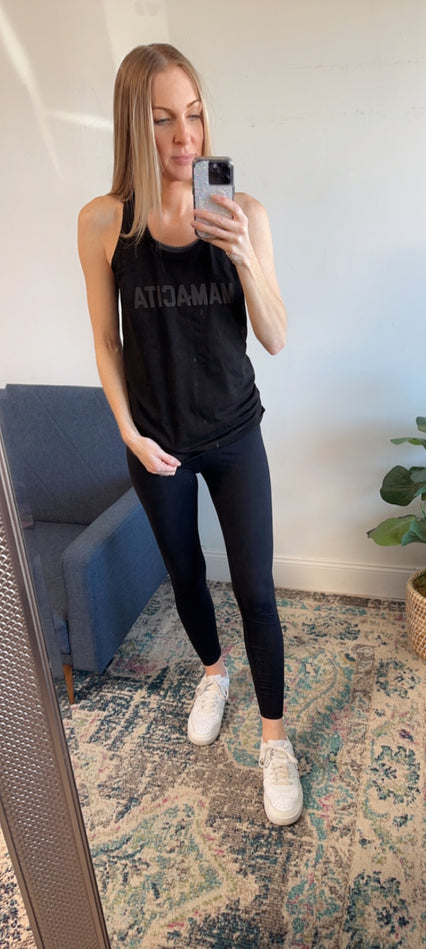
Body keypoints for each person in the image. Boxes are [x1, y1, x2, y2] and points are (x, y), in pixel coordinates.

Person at [77, 43, 303, 826]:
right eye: (164, 118)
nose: (186, 137)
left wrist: (243, 254)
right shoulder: (104, 223)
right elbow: (106, 343)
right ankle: (214, 672)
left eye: (195, 113)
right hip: (157, 441)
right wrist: (129, 434)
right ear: (132, 126)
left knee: (256, 590)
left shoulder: (246, 214)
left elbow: (274, 337)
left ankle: (275, 739)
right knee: (183, 573)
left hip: (234, 432)